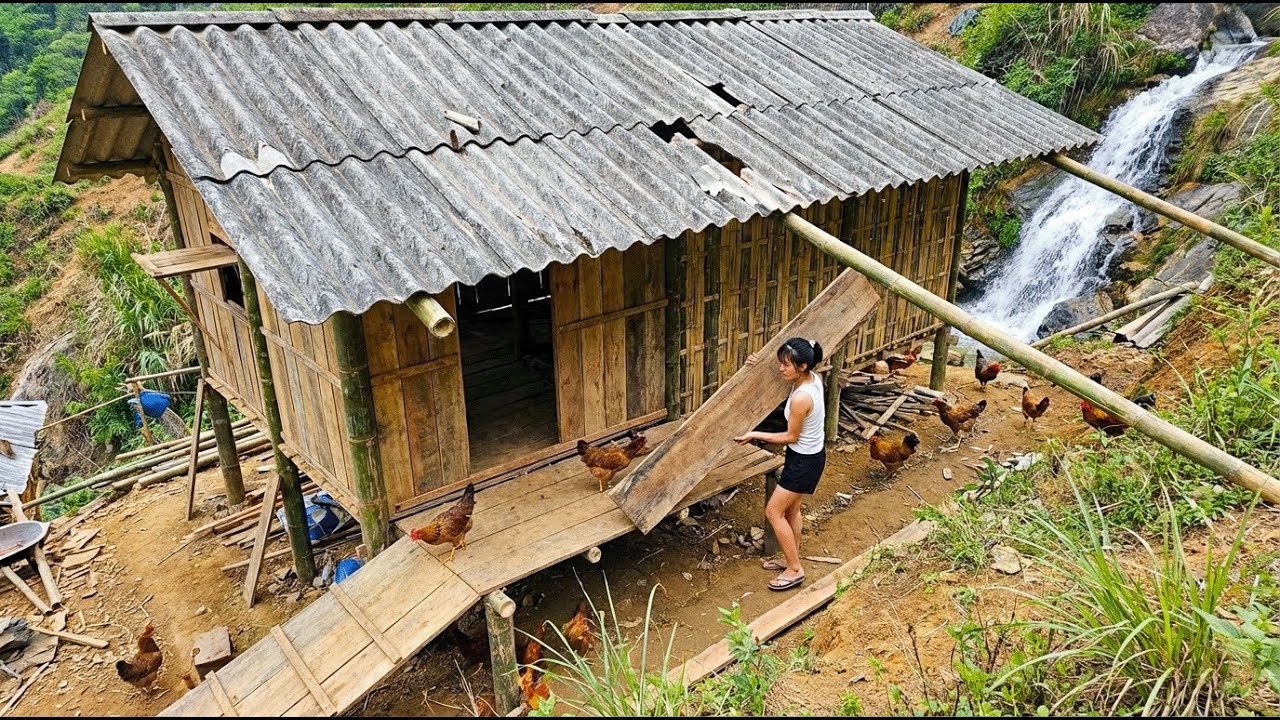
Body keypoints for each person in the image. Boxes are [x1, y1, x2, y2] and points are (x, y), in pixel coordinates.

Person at [734, 337, 826, 591]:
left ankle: (795, 569)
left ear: (803, 366)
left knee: (773, 512)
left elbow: (790, 436)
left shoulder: (801, 398)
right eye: (780, 363)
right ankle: (790, 558)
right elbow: (779, 372)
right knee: (791, 512)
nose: (781, 369)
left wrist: (754, 435)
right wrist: (757, 364)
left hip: (804, 462)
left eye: (786, 365)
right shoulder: (812, 379)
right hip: (806, 456)